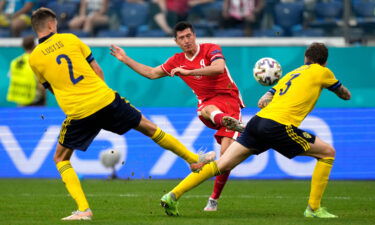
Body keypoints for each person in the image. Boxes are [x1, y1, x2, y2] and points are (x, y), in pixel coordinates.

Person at [28, 7, 215, 221]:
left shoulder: (34, 59)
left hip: (78, 111)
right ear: (52, 25)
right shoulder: (71, 39)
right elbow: (97, 70)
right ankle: (192, 159)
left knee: (60, 158)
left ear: (37, 29)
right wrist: (99, 94)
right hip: (105, 99)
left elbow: (49, 88)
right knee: (149, 128)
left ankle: (84, 209)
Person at [159, 42, 352, 218]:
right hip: (279, 126)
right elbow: (345, 95)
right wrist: (340, 89)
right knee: (327, 153)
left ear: (305, 58)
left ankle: (172, 195)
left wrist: (271, 96)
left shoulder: (292, 74)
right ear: (324, 61)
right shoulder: (323, 72)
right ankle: (314, 208)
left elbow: (263, 101)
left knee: (221, 164)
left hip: (257, 122)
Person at [110, 21, 245, 212]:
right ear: (176, 41)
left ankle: (213, 199)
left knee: (225, 159)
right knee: (207, 108)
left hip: (230, 101)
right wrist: (125, 59)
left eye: (189, 36)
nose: (186, 40)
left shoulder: (210, 49)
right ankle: (222, 120)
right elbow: (151, 73)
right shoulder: (177, 60)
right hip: (208, 105)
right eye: (182, 38)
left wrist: (189, 71)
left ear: (194, 35)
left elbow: (218, 68)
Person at [6, 35, 46, 106]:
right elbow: (41, 86)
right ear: (34, 46)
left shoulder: (15, 61)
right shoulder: (36, 61)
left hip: (20, 99)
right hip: (35, 100)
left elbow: (11, 77)